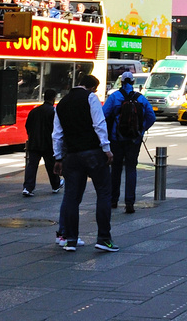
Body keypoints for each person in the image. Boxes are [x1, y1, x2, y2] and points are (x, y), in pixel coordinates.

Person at [52, 73, 118, 253]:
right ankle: (104, 238)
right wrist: (106, 148)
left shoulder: (62, 103)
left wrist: (58, 158)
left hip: (71, 156)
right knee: (103, 193)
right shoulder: (91, 98)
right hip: (93, 152)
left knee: (72, 198)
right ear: (91, 87)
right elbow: (99, 124)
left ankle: (71, 239)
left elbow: (57, 134)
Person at [102, 74, 154, 214]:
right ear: (133, 82)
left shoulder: (114, 97)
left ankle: (113, 200)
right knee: (131, 169)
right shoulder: (140, 98)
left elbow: (103, 115)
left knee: (116, 168)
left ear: (121, 81)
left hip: (116, 138)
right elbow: (151, 116)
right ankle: (129, 202)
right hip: (134, 140)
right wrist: (141, 130)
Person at [22, 90, 62, 196]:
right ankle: (55, 185)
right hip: (48, 143)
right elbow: (56, 129)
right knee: (50, 165)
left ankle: (28, 187)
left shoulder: (34, 111)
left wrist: (32, 136)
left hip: (34, 143)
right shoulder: (53, 112)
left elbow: (28, 126)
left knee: (32, 165)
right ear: (53, 98)